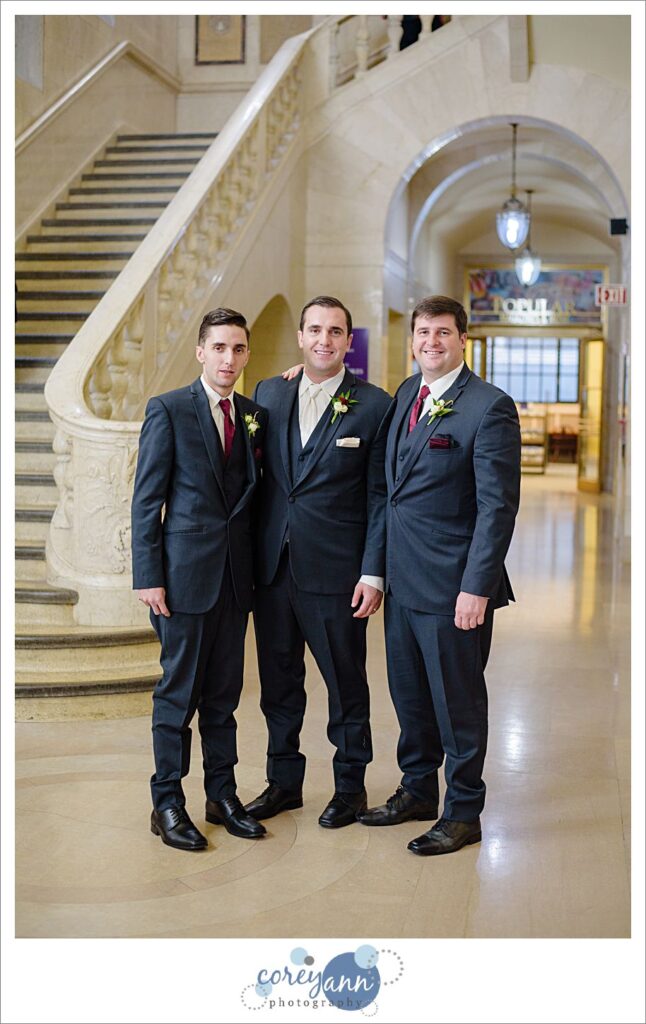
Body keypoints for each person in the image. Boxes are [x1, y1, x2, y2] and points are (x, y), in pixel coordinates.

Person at [359, 295, 521, 856]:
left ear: (462, 340)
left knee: (458, 705)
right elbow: (388, 493)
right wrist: (375, 572)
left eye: (443, 332)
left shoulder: (489, 407)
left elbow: (497, 508)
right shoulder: (407, 392)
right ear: (412, 340)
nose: (432, 341)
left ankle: (464, 811)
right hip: (402, 583)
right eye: (423, 332)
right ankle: (418, 790)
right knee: (410, 697)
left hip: (455, 589)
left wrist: (477, 587)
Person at [245, 296, 391, 829]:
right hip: (273, 570)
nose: (324, 340)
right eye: (314, 330)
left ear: (349, 341)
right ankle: (284, 783)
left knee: (345, 685)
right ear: (301, 337)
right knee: (278, 684)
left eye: (335, 331)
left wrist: (373, 572)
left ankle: (350, 788)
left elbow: (380, 496)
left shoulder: (375, 405)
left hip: (338, 574)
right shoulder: (269, 393)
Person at [131, 308, 267, 851]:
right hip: (183, 581)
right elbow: (147, 500)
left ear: (247, 354)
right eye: (219, 347)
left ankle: (222, 795)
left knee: (224, 697)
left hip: (235, 581)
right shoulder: (168, 409)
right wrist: (149, 577)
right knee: (177, 697)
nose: (229, 358)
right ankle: (166, 802)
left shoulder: (253, 414)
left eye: (238, 348)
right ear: (200, 351)